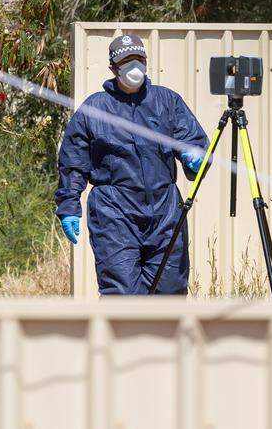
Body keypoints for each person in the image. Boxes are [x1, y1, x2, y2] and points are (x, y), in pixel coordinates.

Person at [54, 34, 208, 295]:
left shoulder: (167, 101)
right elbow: (73, 162)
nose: (134, 66)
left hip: (165, 211)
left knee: (170, 289)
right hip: (114, 213)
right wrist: (69, 205)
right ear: (113, 68)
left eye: (138, 59)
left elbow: (193, 141)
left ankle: (167, 336)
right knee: (123, 294)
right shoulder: (95, 108)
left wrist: (194, 156)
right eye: (126, 60)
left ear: (146, 62)